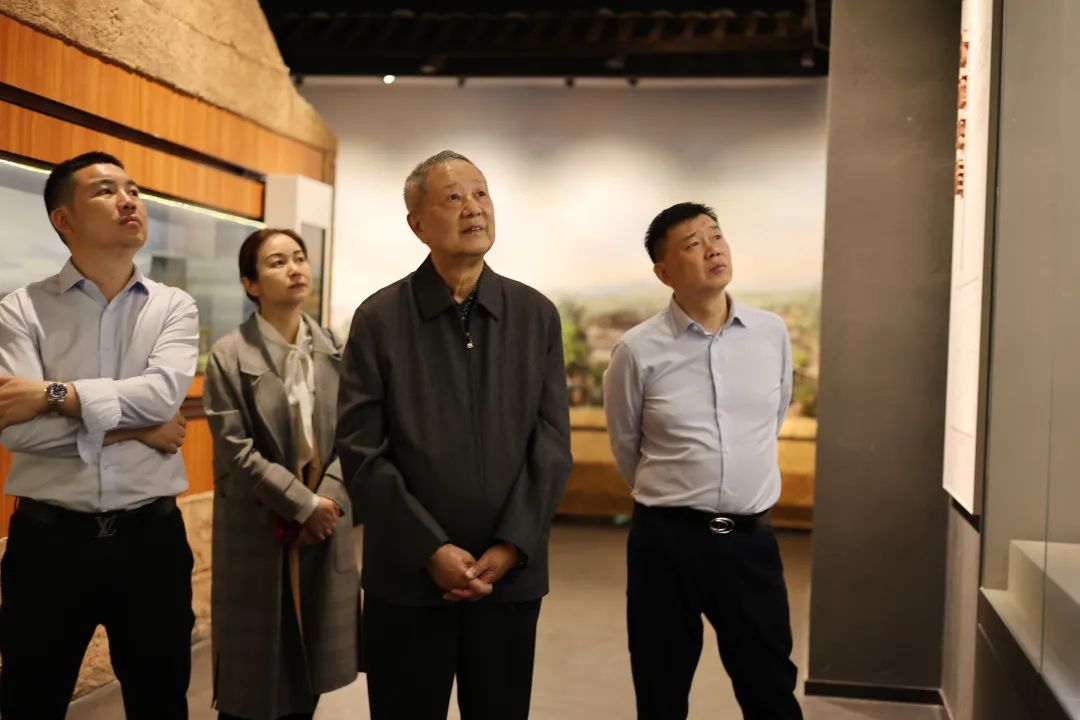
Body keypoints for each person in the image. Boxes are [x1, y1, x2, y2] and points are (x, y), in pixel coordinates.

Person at [335, 150, 572, 720]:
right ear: (417, 224)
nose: (473, 207)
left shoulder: (534, 314)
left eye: (481, 193)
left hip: (508, 579)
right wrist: (430, 549)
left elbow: (550, 442)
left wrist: (511, 545)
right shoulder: (379, 319)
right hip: (409, 581)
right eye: (453, 197)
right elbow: (361, 449)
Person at [0, 151, 198, 719]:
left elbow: (161, 398)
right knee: (29, 703)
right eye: (106, 190)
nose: (128, 200)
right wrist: (136, 430)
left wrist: (53, 394)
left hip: (151, 540)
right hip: (48, 544)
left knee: (161, 703)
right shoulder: (21, 309)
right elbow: (18, 433)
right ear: (63, 220)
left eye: (132, 189)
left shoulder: (173, 306)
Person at [603, 202, 803, 720]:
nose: (712, 248)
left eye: (716, 236)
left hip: (750, 542)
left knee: (770, 687)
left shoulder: (770, 333)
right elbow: (626, 444)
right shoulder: (637, 350)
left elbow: (773, 417)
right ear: (664, 272)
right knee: (661, 689)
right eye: (693, 244)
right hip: (666, 544)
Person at [202, 228, 359, 720]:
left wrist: (328, 501)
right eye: (277, 262)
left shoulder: (336, 348)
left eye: (299, 258)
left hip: (325, 522)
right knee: (251, 682)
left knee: (310, 667)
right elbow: (235, 448)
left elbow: (357, 434)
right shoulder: (229, 353)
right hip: (259, 520)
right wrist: (303, 504)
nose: (294, 269)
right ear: (250, 284)